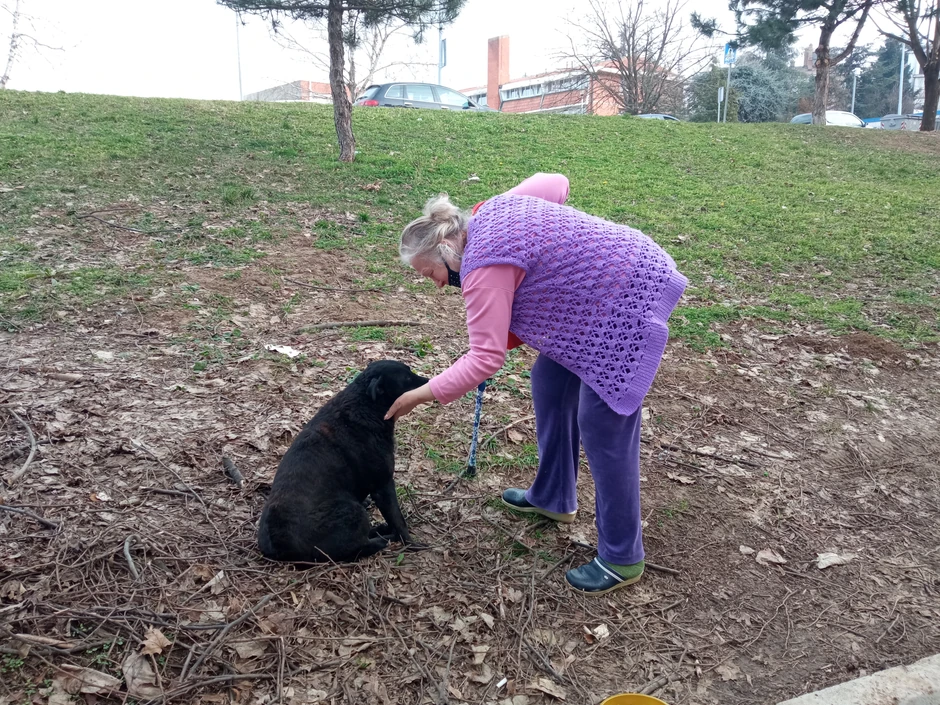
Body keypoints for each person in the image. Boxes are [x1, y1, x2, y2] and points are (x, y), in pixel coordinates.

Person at [385, 173, 687, 594]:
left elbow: (485, 357)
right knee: (549, 378)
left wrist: (421, 394)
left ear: (446, 247)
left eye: (429, 272)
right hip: (596, 298)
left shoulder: (482, 268)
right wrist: (557, 260)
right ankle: (554, 496)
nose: (435, 284)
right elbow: (557, 183)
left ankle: (622, 557)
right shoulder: (489, 211)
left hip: (625, 296)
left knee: (602, 424)